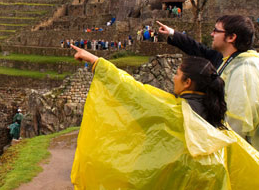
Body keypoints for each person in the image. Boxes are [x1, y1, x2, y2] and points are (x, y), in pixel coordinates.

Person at [69, 45, 259, 189]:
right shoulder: (220, 129)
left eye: (177, 74)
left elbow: (131, 91)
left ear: (187, 82)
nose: (173, 78)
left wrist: (96, 62)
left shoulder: (171, 112)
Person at [157, 16, 259, 149]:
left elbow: (237, 121)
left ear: (231, 37)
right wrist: (173, 34)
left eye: (216, 31)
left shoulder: (244, 69)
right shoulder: (228, 59)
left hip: (241, 153)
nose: (212, 34)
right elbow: (199, 49)